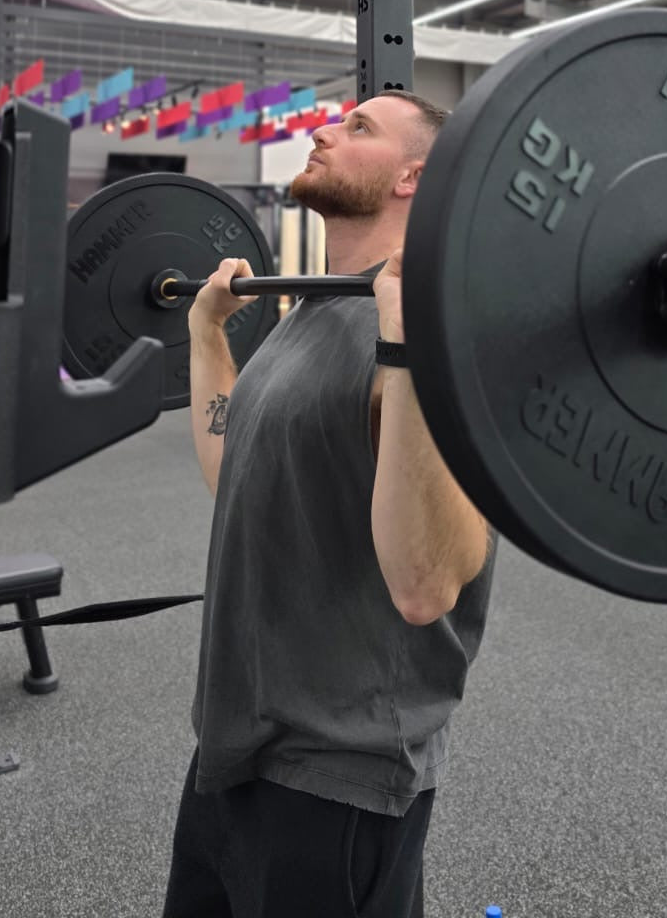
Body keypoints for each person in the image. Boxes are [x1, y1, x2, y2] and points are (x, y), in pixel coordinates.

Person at [162, 90, 498, 918]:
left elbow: (426, 588)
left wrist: (407, 345)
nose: (321, 129)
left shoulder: (432, 333)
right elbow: (236, 473)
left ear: (415, 174)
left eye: (358, 127)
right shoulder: (313, 309)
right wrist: (207, 335)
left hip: (338, 774)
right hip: (236, 745)